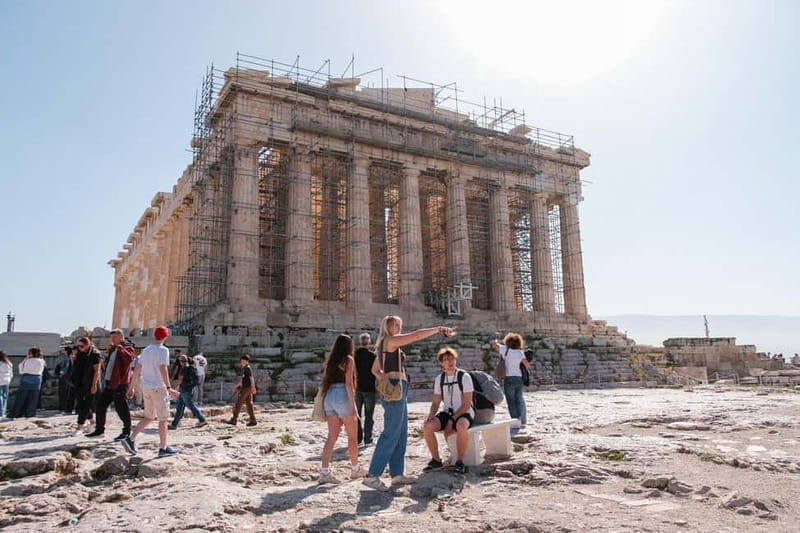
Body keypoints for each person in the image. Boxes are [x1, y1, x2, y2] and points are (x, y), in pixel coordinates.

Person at [362, 316, 455, 491]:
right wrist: (438, 329)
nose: (399, 327)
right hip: (395, 388)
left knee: (401, 433)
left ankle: (397, 474)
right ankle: (372, 475)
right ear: (387, 326)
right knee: (391, 433)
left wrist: (385, 382)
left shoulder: (384, 344)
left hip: (398, 389)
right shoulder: (390, 341)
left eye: (400, 324)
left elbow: (374, 370)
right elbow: (416, 335)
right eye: (395, 324)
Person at [122, 325, 179, 457]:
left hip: (146, 387)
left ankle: (130, 439)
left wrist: (131, 387)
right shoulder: (163, 350)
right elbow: (163, 369)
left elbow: (137, 369)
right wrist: (169, 388)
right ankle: (163, 447)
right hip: (158, 387)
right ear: (165, 337)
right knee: (163, 419)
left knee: (149, 416)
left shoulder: (146, 350)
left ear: (154, 336)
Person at [318, 334, 363, 484]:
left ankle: (324, 472)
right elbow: (349, 383)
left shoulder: (331, 360)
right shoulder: (348, 360)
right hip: (342, 395)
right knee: (352, 437)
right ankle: (355, 469)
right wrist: (352, 404)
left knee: (331, 437)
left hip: (329, 396)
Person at [423, 347, 474, 474]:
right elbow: (436, 402)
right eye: (446, 359)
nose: (450, 362)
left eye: (452, 359)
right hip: (447, 412)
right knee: (427, 426)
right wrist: (431, 415)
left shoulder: (464, 377)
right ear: (441, 363)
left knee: (461, 425)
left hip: (464, 412)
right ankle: (436, 460)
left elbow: (467, 404)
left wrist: (451, 420)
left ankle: (460, 462)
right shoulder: (439, 379)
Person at [88, 329, 135, 440]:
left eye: (115, 337)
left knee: (121, 408)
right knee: (100, 405)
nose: (112, 340)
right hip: (110, 382)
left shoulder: (127, 347)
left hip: (120, 383)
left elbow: (129, 359)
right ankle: (99, 430)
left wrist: (120, 348)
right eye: (112, 338)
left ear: (121, 337)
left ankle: (127, 431)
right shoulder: (113, 349)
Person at [492, 332, 531, 430]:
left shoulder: (505, 350)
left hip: (508, 378)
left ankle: (516, 421)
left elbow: (495, 345)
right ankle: (523, 421)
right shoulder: (520, 353)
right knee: (520, 399)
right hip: (519, 378)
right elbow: (527, 364)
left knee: (511, 401)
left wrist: (496, 339)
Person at [71, 338, 101, 436]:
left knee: (86, 405)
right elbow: (75, 368)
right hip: (79, 382)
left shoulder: (95, 354)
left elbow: (97, 371)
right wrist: (73, 360)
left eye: (82, 346)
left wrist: (94, 385)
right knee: (80, 404)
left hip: (90, 382)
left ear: (88, 345)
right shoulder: (79, 354)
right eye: (78, 346)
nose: (80, 348)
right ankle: (92, 422)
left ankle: (80, 426)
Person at [169, 355, 207, 429]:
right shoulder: (190, 368)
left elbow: (180, 380)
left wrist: (172, 387)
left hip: (184, 390)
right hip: (187, 389)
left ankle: (202, 419)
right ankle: (174, 424)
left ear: (181, 361)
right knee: (179, 407)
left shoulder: (183, 369)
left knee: (190, 406)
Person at [10, 347, 46, 418]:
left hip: (27, 377)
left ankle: (16, 413)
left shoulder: (27, 361)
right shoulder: (42, 361)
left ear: (30, 353)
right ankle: (30, 413)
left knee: (21, 397)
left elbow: (21, 370)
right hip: (37, 378)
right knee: (33, 398)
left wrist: (26, 358)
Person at [354, 333, 376, 446]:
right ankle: (368, 439)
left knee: (357, 415)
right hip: (370, 388)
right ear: (369, 342)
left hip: (357, 388)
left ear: (360, 342)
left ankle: (358, 439)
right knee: (369, 415)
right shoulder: (372, 356)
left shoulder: (354, 355)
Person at [226, 355, 257, 426]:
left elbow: (251, 378)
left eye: (243, 361)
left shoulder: (247, 368)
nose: (241, 363)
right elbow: (243, 381)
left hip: (246, 388)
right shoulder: (246, 369)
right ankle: (253, 420)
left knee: (238, 403)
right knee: (249, 404)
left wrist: (253, 387)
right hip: (248, 388)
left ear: (247, 361)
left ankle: (234, 419)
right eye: (241, 362)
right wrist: (235, 387)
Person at [55, 347, 75, 413]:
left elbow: (65, 367)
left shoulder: (65, 358)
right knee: (67, 392)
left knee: (62, 392)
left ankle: (62, 407)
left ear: (66, 351)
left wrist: (61, 373)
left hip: (64, 376)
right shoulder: (70, 357)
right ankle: (65, 407)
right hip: (69, 377)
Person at [0, 350, 13, 419]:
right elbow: (11, 374)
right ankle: (3, 412)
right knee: (5, 396)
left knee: (0, 396)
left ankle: (1, 411)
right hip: (7, 380)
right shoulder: (9, 363)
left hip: (0, 380)